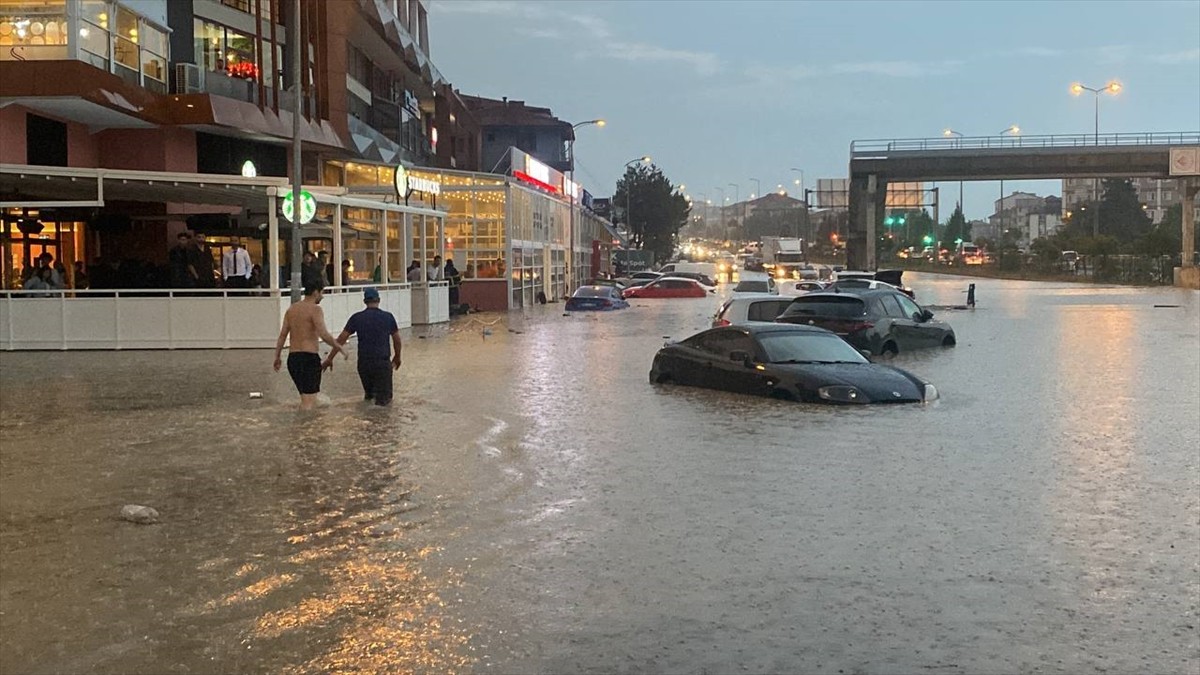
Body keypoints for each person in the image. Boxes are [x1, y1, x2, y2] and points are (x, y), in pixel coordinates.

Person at [273, 284, 346, 410]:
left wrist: (277, 357)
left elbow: (282, 336)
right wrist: (339, 347)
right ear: (315, 292)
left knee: (307, 400)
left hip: (293, 360)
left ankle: (304, 426)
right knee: (309, 403)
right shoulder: (315, 309)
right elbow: (323, 334)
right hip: (309, 358)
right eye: (322, 293)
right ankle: (305, 428)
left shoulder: (292, 310)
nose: (322, 297)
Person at [326, 287, 402, 406]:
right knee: (384, 403)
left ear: (364, 301)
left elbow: (341, 339)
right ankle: (382, 423)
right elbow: (397, 340)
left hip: (364, 364)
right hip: (382, 363)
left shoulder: (356, 318)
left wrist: (330, 358)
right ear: (379, 300)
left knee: (369, 397)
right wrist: (397, 357)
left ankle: (368, 422)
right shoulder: (388, 317)